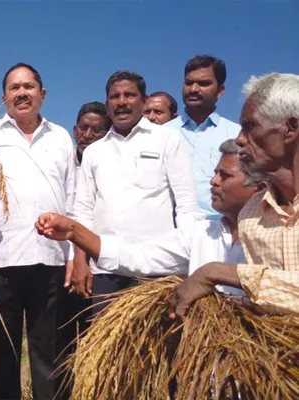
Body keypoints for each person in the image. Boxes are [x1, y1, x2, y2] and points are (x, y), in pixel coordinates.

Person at [36, 138, 268, 297]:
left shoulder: (280, 237)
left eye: (224, 175)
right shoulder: (202, 235)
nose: (213, 181)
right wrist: (75, 232)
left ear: (259, 187)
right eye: (215, 173)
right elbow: (138, 257)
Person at [0, 63, 75, 400]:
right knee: (1, 354)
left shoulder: (61, 137)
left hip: (51, 261)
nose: (22, 93)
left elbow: (73, 199)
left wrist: (75, 257)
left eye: (29, 87)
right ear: (4, 97)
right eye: (14, 88)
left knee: (49, 354)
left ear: (42, 94)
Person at [169, 73, 299, 318]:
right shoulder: (252, 215)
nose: (240, 139)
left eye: (250, 126)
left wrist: (221, 272)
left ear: (290, 129)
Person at [72, 69, 199, 314]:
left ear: (143, 100)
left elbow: (186, 204)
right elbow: (83, 210)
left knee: (155, 348)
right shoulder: (94, 152)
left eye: (129, 95)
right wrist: (80, 260)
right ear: (107, 103)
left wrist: (186, 260)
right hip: (106, 269)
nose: (121, 102)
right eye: (115, 96)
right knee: (106, 349)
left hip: (156, 269)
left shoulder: (167, 140)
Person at [166, 55, 241, 220]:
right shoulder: (163, 133)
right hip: (171, 228)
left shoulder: (237, 135)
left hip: (222, 229)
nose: (193, 89)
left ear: (220, 91)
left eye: (203, 83)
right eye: (188, 82)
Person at [73, 101, 111, 168]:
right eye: (83, 128)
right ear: (74, 131)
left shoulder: (112, 165)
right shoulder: (62, 160)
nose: (87, 135)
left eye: (96, 130)